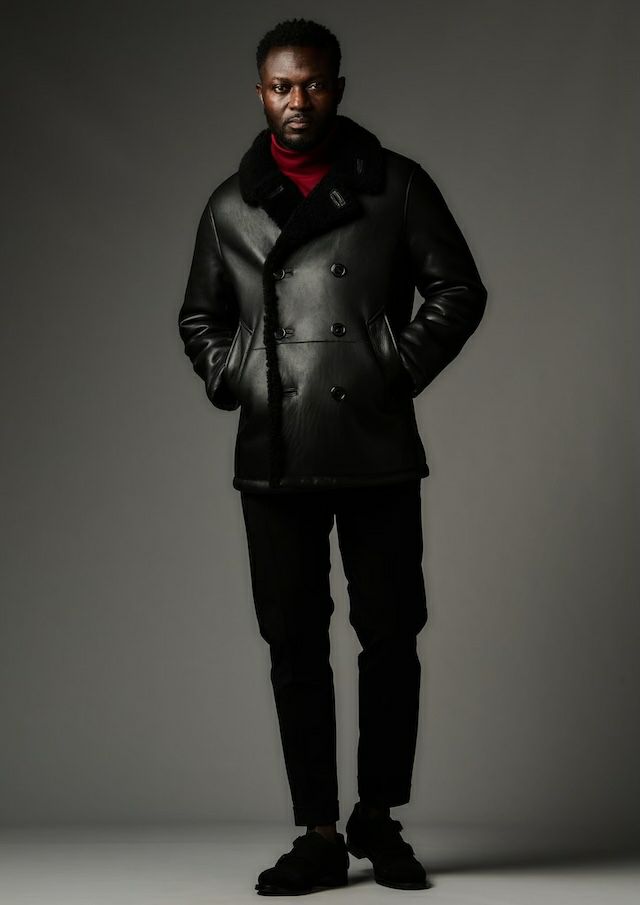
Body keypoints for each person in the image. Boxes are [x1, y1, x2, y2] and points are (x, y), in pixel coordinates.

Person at [178, 17, 487, 896]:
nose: (297, 101)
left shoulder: (396, 186)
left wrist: (390, 367)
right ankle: (316, 830)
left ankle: (377, 816)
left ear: (338, 89)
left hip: (374, 444)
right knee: (293, 644)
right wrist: (239, 372)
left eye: (312, 84)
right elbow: (200, 316)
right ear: (260, 94)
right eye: (281, 86)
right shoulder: (229, 207)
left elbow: (458, 288)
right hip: (274, 453)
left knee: (391, 636)